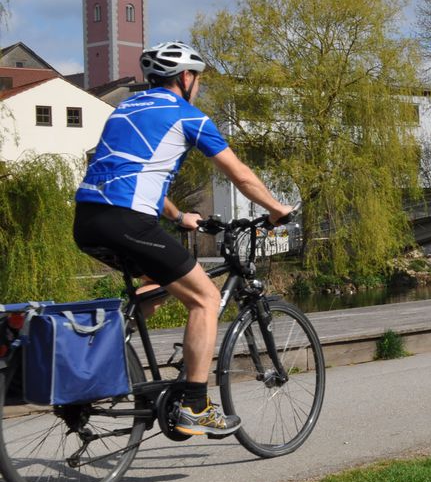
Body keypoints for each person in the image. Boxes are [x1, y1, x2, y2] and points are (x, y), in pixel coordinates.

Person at [73, 41, 292, 436]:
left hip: (88, 220)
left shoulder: (124, 110)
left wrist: (178, 216)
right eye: (199, 79)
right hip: (129, 221)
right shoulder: (189, 116)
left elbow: (135, 171)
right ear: (186, 77)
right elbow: (239, 175)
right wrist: (277, 208)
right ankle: (195, 404)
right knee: (205, 297)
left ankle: (93, 367)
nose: (199, 87)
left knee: (152, 289)